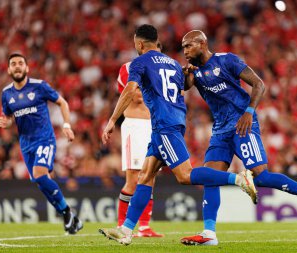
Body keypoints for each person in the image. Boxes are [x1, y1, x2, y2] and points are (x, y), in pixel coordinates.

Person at [99, 24, 257, 246]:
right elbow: (182, 90)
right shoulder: (173, 63)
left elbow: (129, 89)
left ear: (140, 44)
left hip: (164, 126)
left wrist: (112, 120)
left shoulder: (140, 62)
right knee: (145, 175)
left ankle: (238, 179)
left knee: (184, 175)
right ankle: (126, 229)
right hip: (170, 122)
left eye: (136, 44)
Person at [180, 30, 297, 246]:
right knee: (210, 177)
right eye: (183, 47)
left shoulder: (227, 60)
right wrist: (186, 75)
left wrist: (249, 112)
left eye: (188, 46)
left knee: (261, 177)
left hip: (243, 124)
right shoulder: (194, 71)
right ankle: (209, 233)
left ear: (202, 43)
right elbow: (186, 86)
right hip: (221, 130)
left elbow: (259, 84)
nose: (184, 51)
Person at [0, 53, 83, 234]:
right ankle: (70, 216)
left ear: (27, 68)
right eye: (13, 64)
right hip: (25, 144)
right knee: (40, 180)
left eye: (21, 63)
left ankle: (67, 214)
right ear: (8, 69)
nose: (17, 66)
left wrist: (66, 126)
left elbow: (63, 103)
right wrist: (5, 121)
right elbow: (9, 116)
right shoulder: (6, 94)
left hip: (44, 139)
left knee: (40, 173)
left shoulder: (39, 86)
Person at [115, 59, 163, 237]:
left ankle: (144, 227)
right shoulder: (127, 69)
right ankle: (121, 225)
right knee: (133, 179)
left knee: (150, 176)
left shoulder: (158, 70)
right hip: (133, 128)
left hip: (151, 126)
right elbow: (127, 90)